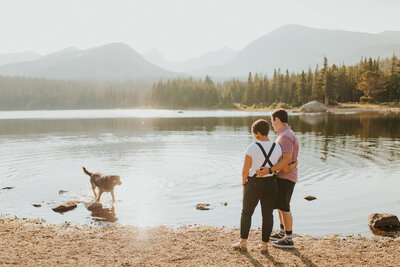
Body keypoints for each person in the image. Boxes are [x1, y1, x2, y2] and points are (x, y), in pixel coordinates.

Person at [232, 119, 289, 253]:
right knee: (268, 214)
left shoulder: (252, 147)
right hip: (271, 183)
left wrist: (244, 184)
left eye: (254, 133)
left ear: (257, 133)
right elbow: (279, 166)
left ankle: (243, 242)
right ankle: (264, 245)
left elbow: (245, 170)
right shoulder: (278, 147)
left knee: (246, 213)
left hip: (254, 183)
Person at [257, 109, 299, 248]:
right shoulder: (285, 134)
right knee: (281, 206)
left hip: (286, 177)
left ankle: (288, 238)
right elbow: (288, 161)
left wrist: (270, 170)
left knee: (284, 206)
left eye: (272, 121)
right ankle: (282, 232)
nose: (272, 125)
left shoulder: (285, 136)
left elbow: (286, 160)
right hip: (284, 175)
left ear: (277, 120)